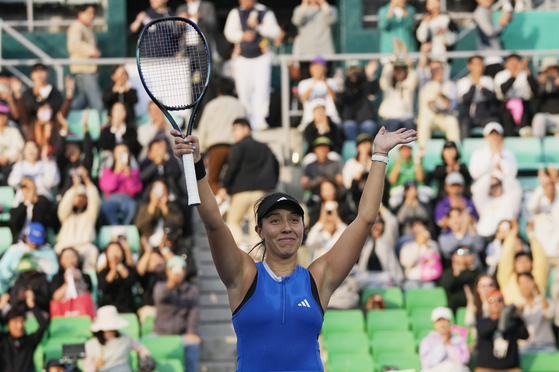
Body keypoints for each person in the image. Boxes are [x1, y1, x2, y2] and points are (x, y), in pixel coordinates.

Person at [172, 123, 416, 370]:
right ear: (259, 231)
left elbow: (365, 219)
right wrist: (195, 166)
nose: (286, 227)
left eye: (294, 220)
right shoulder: (243, 274)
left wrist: (380, 155)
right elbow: (214, 223)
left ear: (303, 228)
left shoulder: (319, 278)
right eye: (275, 220)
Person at [219, 118, 279, 246]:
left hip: (241, 191)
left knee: (232, 222)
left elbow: (232, 167)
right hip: (261, 192)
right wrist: (271, 184)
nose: (234, 133)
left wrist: (225, 186)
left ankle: (242, 245)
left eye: (236, 129)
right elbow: (276, 164)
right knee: (256, 224)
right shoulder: (264, 147)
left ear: (246, 128)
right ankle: (257, 256)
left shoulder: (238, 146)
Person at [224, 0, 281, 131]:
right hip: (242, 58)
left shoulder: (265, 11)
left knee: (262, 89)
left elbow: (276, 32)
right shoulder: (235, 12)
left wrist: (258, 27)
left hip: (261, 57)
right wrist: (242, 35)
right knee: (243, 90)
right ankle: (246, 120)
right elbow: (228, 32)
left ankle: (260, 120)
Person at [196, 78, 247, 194]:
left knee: (212, 181)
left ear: (218, 91)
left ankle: (220, 202)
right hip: (236, 147)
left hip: (216, 147)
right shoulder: (240, 106)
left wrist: (202, 150)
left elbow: (203, 129)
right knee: (234, 179)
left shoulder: (212, 105)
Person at [152, 256, 200, 372]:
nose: (178, 272)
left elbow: (193, 312)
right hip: (159, 333)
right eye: (173, 269)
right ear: (167, 271)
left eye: (181, 269)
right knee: (142, 344)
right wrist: (171, 283)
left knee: (193, 345)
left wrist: (191, 332)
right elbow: (160, 297)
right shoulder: (160, 286)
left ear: (185, 272)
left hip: (180, 335)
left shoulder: (191, 290)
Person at [55, 167, 100, 271]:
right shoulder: (66, 215)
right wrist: (74, 188)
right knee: (57, 250)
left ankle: (88, 278)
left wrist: (87, 180)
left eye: (83, 197)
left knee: (92, 251)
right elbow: (64, 205)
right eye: (78, 197)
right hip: (66, 245)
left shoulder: (90, 215)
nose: (80, 199)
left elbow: (94, 200)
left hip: (84, 246)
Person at [84, 305, 150, 372]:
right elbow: (87, 369)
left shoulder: (125, 338)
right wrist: (95, 365)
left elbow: (141, 349)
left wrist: (147, 358)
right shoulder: (91, 344)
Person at [497, 219, 547, 306]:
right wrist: (512, 234)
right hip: (514, 317)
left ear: (531, 264)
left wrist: (530, 234)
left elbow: (540, 258)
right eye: (519, 261)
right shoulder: (507, 279)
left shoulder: (536, 278)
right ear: (514, 265)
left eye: (527, 261)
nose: (523, 264)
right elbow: (506, 257)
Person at [475, 290, 528, 372]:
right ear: (488, 304)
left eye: (499, 299)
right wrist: (504, 315)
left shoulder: (513, 322)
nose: (496, 303)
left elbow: (524, 335)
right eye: (492, 300)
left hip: (510, 369)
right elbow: (483, 332)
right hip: (486, 368)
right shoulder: (482, 322)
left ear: (504, 302)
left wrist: (518, 318)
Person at [0, 223, 59, 294]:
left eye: (37, 241)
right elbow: (3, 270)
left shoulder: (48, 252)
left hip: (40, 289)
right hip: (14, 288)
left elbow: (53, 273)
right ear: (26, 237)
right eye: (32, 240)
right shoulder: (15, 250)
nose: (34, 244)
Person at [67, 5, 104, 116]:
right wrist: (92, 51)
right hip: (83, 69)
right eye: (89, 13)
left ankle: (65, 114)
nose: (91, 16)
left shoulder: (85, 27)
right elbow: (74, 45)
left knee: (84, 99)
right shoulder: (76, 26)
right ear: (80, 13)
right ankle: (103, 127)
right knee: (96, 100)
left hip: (86, 69)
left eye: (93, 13)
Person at [0, 290, 49, 372]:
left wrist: (32, 305)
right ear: (8, 324)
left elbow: (43, 325)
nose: (19, 326)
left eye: (22, 321)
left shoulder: (30, 340)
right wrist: (1, 307)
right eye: (15, 322)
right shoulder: (3, 340)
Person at [357, 205, 404, 289]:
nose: (376, 225)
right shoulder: (366, 241)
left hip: (386, 278)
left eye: (379, 222)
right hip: (367, 278)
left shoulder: (388, 239)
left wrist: (378, 205)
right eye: (373, 223)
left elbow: (392, 222)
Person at [417, 59, 460, 147]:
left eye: (439, 69)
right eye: (434, 69)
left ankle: (454, 151)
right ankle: (423, 152)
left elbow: (453, 105)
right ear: (430, 71)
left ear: (443, 70)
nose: (437, 72)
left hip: (444, 118)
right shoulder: (424, 84)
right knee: (423, 123)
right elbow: (419, 72)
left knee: (452, 121)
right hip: (429, 118)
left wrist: (443, 96)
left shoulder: (450, 84)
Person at [472, 168, 522, 240]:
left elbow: (516, 189)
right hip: (484, 236)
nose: (494, 188)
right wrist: (489, 175)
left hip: (505, 236)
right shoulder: (485, 201)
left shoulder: (510, 199)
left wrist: (504, 174)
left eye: (497, 184)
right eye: (491, 186)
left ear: (502, 184)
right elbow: (477, 191)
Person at [99, 144, 143, 226]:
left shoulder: (134, 171)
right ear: (114, 155)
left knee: (133, 207)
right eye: (118, 152)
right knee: (105, 208)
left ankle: (125, 228)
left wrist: (129, 177)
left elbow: (136, 189)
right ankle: (115, 228)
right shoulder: (108, 170)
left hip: (128, 198)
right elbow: (105, 186)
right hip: (112, 198)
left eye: (124, 151)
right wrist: (116, 173)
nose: (121, 154)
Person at [494, 55, 538, 136]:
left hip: (523, 104)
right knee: (506, 117)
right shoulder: (501, 75)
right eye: (511, 62)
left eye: (516, 62)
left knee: (526, 113)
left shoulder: (525, 74)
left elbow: (535, 90)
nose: (513, 65)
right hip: (506, 104)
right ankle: (509, 139)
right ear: (505, 64)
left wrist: (526, 70)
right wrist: (515, 74)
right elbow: (503, 90)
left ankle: (524, 138)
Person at [378, 40, 417, 132]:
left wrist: (405, 54)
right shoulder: (387, 85)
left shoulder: (409, 85)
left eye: (401, 69)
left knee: (410, 125)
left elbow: (413, 75)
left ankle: (408, 146)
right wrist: (395, 53)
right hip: (390, 118)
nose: (398, 72)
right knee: (394, 123)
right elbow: (386, 72)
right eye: (396, 69)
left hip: (406, 117)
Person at [457, 56, 497, 139]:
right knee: (464, 125)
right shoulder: (463, 81)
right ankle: (463, 149)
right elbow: (466, 100)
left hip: (484, 115)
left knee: (494, 125)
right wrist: (474, 85)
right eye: (475, 64)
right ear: (469, 66)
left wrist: (482, 87)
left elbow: (491, 98)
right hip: (468, 116)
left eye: (480, 64)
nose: (478, 67)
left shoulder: (488, 80)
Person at [516, 273, 557, 354]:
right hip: (525, 347)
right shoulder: (517, 307)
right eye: (521, 283)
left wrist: (539, 294)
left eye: (527, 281)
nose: (525, 285)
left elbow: (550, 315)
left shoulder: (546, 302)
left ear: (533, 282)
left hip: (546, 346)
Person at [55, 110, 94, 196]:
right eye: (69, 149)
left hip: (84, 195)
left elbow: (88, 148)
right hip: (66, 196)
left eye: (75, 148)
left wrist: (85, 126)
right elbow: (59, 152)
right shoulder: (64, 165)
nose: (72, 151)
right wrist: (65, 127)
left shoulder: (85, 162)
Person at [135, 180, 184, 248]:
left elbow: (178, 223)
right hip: (149, 245)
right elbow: (139, 225)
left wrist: (164, 207)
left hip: (167, 244)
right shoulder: (144, 208)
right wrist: (152, 205)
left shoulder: (173, 206)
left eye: (161, 189)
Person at [420, 307, 470, 372]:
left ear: (449, 322)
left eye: (445, 320)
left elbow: (464, 360)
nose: (442, 323)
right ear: (434, 324)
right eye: (439, 320)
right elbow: (427, 363)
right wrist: (443, 344)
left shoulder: (459, 340)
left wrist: (450, 344)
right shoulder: (426, 341)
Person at [339, 61, 379, 141]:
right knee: (349, 126)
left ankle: (367, 149)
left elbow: (373, 92)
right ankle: (352, 151)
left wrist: (370, 76)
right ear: (347, 72)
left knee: (369, 126)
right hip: (349, 119)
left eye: (357, 70)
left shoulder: (367, 83)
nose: (354, 72)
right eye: (352, 70)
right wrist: (339, 87)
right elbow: (344, 100)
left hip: (366, 119)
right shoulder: (343, 85)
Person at [297, 57, 340, 130]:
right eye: (315, 67)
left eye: (320, 67)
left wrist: (324, 81)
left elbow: (334, 97)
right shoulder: (304, 83)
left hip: (330, 119)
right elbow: (303, 98)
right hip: (309, 119)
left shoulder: (332, 82)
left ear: (325, 68)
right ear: (311, 68)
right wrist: (315, 81)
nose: (318, 69)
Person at [8, 177, 55, 244]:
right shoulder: (17, 208)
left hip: (38, 242)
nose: (28, 190)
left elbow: (44, 221)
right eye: (24, 187)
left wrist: (35, 200)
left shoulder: (42, 203)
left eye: (31, 187)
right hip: (20, 243)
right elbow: (15, 223)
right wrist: (27, 202)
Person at [139, 139, 185, 204]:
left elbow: (178, 173)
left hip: (171, 194)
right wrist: (156, 164)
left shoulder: (170, 160)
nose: (159, 152)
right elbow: (142, 177)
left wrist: (167, 159)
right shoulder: (145, 162)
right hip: (150, 195)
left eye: (160, 149)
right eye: (156, 150)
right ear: (150, 152)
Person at [473, 0, 511, 78]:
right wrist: (502, 23)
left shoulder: (487, 10)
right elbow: (490, 32)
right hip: (490, 58)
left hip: (494, 56)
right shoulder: (480, 12)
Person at [97, 242, 138, 313]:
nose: (114, 253)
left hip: (126, 308)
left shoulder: (129, 269)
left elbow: (131, 282)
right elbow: (103, 287)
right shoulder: (103, 271)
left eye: (117, 250)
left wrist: (119, 266)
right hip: (108, 309)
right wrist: (113, 270)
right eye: (111, 251)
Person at [400, 222, 441, 289]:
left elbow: (434, 261)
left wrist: (426, 244)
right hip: (411, 279)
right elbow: (407, 263)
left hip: (429, 280)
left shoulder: (432, 245)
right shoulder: (407, 246)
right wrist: (418, 246)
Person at [440, 247, 482, 313]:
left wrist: (471, 265)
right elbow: (444, 288)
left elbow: (480, 282)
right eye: (460, 252)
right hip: (454, 305)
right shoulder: (449, 272)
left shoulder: (475, 272)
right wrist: (456, 272)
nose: (464, 256)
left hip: (473, 303)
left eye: (467, 253)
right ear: (455, 256)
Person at [136, 237, 169, 323]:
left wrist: (163, 249)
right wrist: (147, 252)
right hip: (149, 308)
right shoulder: (148, 276)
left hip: (166, 308)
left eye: (159, 259)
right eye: (153, 260)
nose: (157, 262)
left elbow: (175, 264)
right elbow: (140, 270)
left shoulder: (168, 275)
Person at [532, 57, 559, 139]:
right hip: (546, 117)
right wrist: (540, 87)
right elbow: (535, 105)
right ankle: (537, 147)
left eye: (553, 71)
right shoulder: (540, 86)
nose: (551, 74)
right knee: (539, 118)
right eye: (548, 71)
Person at [0, 102, 24, 185]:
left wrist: (7, 156)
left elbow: (20, 147)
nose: (1, 118)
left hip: (11, 164)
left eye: (3, 115)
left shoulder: (14, 131)